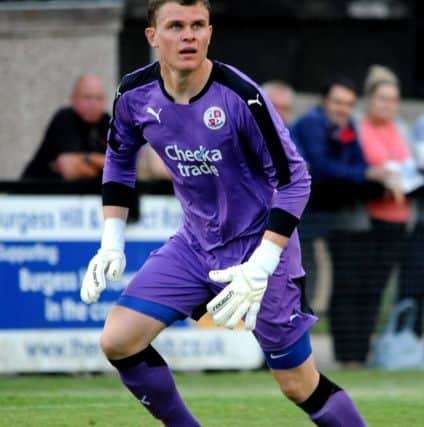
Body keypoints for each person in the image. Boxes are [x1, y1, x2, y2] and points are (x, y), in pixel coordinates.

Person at [81, 1, 366, 426]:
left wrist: (262, 264)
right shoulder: (133, 94)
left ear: (210, 32)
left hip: (260, 247)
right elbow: (119, 160)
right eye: (175, 26)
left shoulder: (241, 96)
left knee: (297, 383)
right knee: (119, 340)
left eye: (197, 25)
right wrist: (111, 240)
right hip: (194, 245)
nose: (188, 35)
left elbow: (295, 181)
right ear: (152, 36)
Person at [290, 78, 392, 366]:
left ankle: (351, 356)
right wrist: (364, 176)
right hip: (305, 213)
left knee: (349, 280)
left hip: (336, 209)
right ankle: (295, 354)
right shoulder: (311, 123)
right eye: (338, 102)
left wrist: (360, 174)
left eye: (348, 103)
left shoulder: (347, 127)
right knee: (302, 284)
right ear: (324, 102)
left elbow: (355, 164)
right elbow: (322, 167)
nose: (343, 109)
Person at [359, 65, 419, 355]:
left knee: (400, 289)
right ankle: (359, 350)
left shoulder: (402, 129)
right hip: (371, 220)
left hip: (403, 220)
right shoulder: (358, 127)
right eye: (383, 98)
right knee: (368, 288)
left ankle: (391, 348)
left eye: (394, 99)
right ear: (370, 99)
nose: (389, 105)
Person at [21, 74, 110, 181]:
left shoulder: (108, 122)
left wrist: (87, 159)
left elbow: (125, 168)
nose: (93, 104)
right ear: (74, 99)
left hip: (86, 195)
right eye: (87, 97)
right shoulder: (65, 118)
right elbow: (70, 169)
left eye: (98, 98)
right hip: (37, 192)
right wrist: (103, 164)